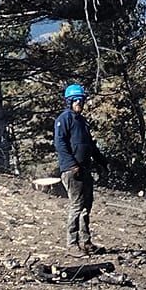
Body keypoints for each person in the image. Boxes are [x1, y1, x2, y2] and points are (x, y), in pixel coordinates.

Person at [54, 82, 104, 251]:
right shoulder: (64, 119)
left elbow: (90, 144)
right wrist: (71, 165)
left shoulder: (82, 122)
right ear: (69, 101)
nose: (79, 103)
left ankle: (86, 241)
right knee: (76, 205)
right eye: (76, 100)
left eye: (81, 100)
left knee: (86, 206)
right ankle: (72, 243)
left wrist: (102, 161)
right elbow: (60, 143)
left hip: (85, 169)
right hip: (72, 170)